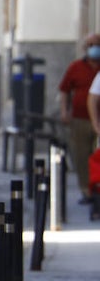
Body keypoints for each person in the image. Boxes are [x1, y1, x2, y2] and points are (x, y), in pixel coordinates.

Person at [60, 33, 100, 204]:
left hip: (99, 120)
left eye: (96, 44)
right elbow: (64, 90)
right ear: (85, 48)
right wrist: (64, 111)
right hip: (80, 119)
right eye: (90, 45)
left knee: (96, 157)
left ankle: (96, 188)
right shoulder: (76, 67)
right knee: (81, 156)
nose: (94, 48)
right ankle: (87, 191)